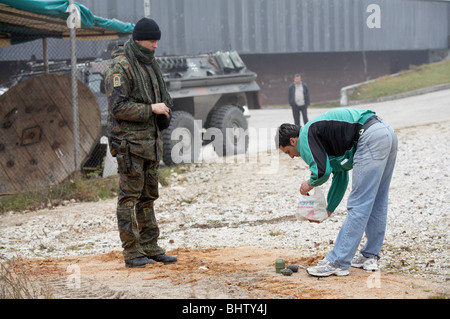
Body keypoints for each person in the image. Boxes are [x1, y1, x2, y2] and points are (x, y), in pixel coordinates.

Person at [276, 108, 397, 277]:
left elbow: (322, 171)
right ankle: (369, 256)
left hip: (369, 136)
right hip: (385, 132)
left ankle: (338, 262)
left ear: (292, 141)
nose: (291, 157)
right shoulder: (322, 136)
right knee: (377, 200)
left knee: (359, 204)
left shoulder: (305, 136)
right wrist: (327, 211)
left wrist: (309, 184)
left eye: (288, 152)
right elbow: (340, 176)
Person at [104, 17, 177, 268]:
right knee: (129, 198)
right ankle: (132, 251)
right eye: (151, 41)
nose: (156, 45)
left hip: (151, 144)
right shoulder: (120, 67)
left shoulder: (150, 65)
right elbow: (118, 107)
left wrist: (165, 112)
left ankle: (150, 246)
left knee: (148, 197)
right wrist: (151, 110)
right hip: (130, 146)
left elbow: (163, 98)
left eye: (157, 41)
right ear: (138, 40)